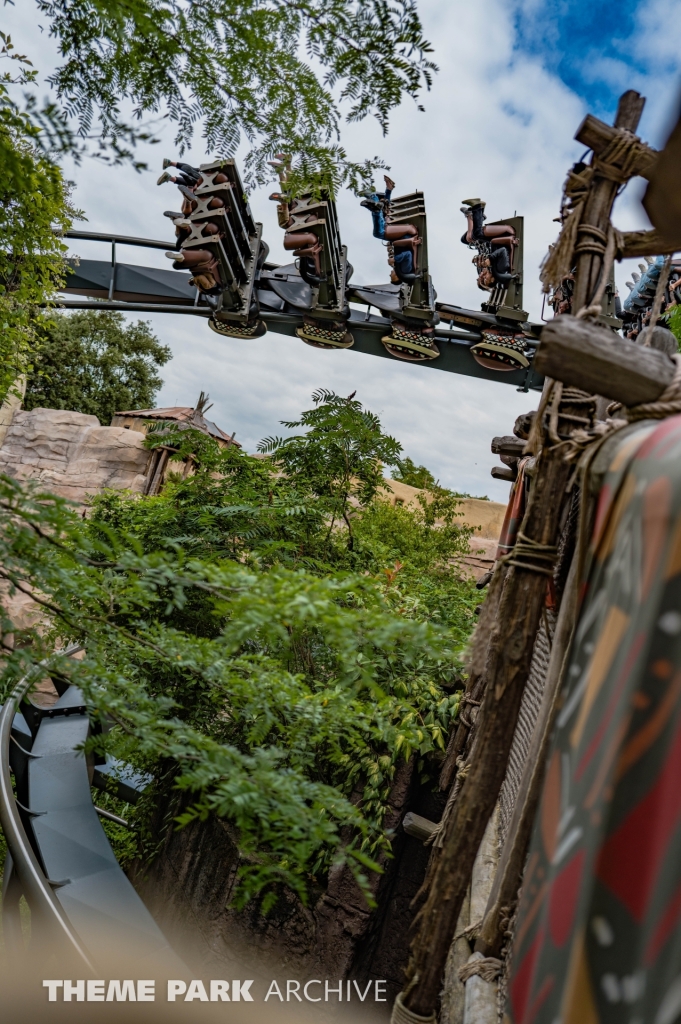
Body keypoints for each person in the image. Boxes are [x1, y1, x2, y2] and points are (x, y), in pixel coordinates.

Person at [359, 176, 420, 282]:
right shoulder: (404, 271)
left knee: (385, 220)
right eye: (391, 277)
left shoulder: (399, 268)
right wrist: (395, 259)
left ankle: (387, 192)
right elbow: (408, 254)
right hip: (409, 233)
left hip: (403, 236)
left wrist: (391, 246)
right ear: (396, 278)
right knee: (379, 233)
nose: (390, 275)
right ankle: (375, 206)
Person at [461, 200, 518, 289]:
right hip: (506, 234)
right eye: (484, 280)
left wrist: (481, 259)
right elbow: (503, 250)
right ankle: (477, 207)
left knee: (466, 239)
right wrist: (490, 259)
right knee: (477, 234)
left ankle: (478, 214)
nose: (482, 277)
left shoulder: (491, 268)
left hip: (494, 240)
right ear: (492, 280)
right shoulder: (500, 269)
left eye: (481, 279)